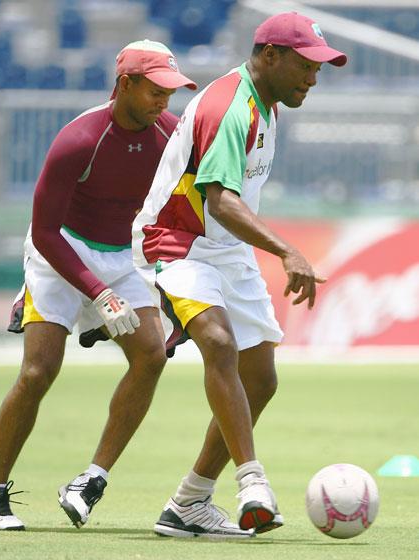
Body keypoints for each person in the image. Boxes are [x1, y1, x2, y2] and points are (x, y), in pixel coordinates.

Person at [132, 12, 347, 537]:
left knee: (261, 379)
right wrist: (288, 252)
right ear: (269, 55)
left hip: (224, 249)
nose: (313, 78)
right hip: (177, 241)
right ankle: (253, 483)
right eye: (306, 66)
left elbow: (230, 209)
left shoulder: (266, 106)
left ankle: (188, 503)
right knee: (218, 342)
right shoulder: (231, 106)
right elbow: (221, 200)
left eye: (319, 69)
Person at [0, 39, 199, 532]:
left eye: (172, 90)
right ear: (126, 84)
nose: (166, 100)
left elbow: (179, 213)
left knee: (151, 356)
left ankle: (90, 480)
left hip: (122, 255)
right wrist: (99, 293)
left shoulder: (171, 135)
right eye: (156, 89)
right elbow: (46, 232)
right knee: (38, 373)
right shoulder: (79, 139)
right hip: (59, 253)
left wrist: (170, 284)